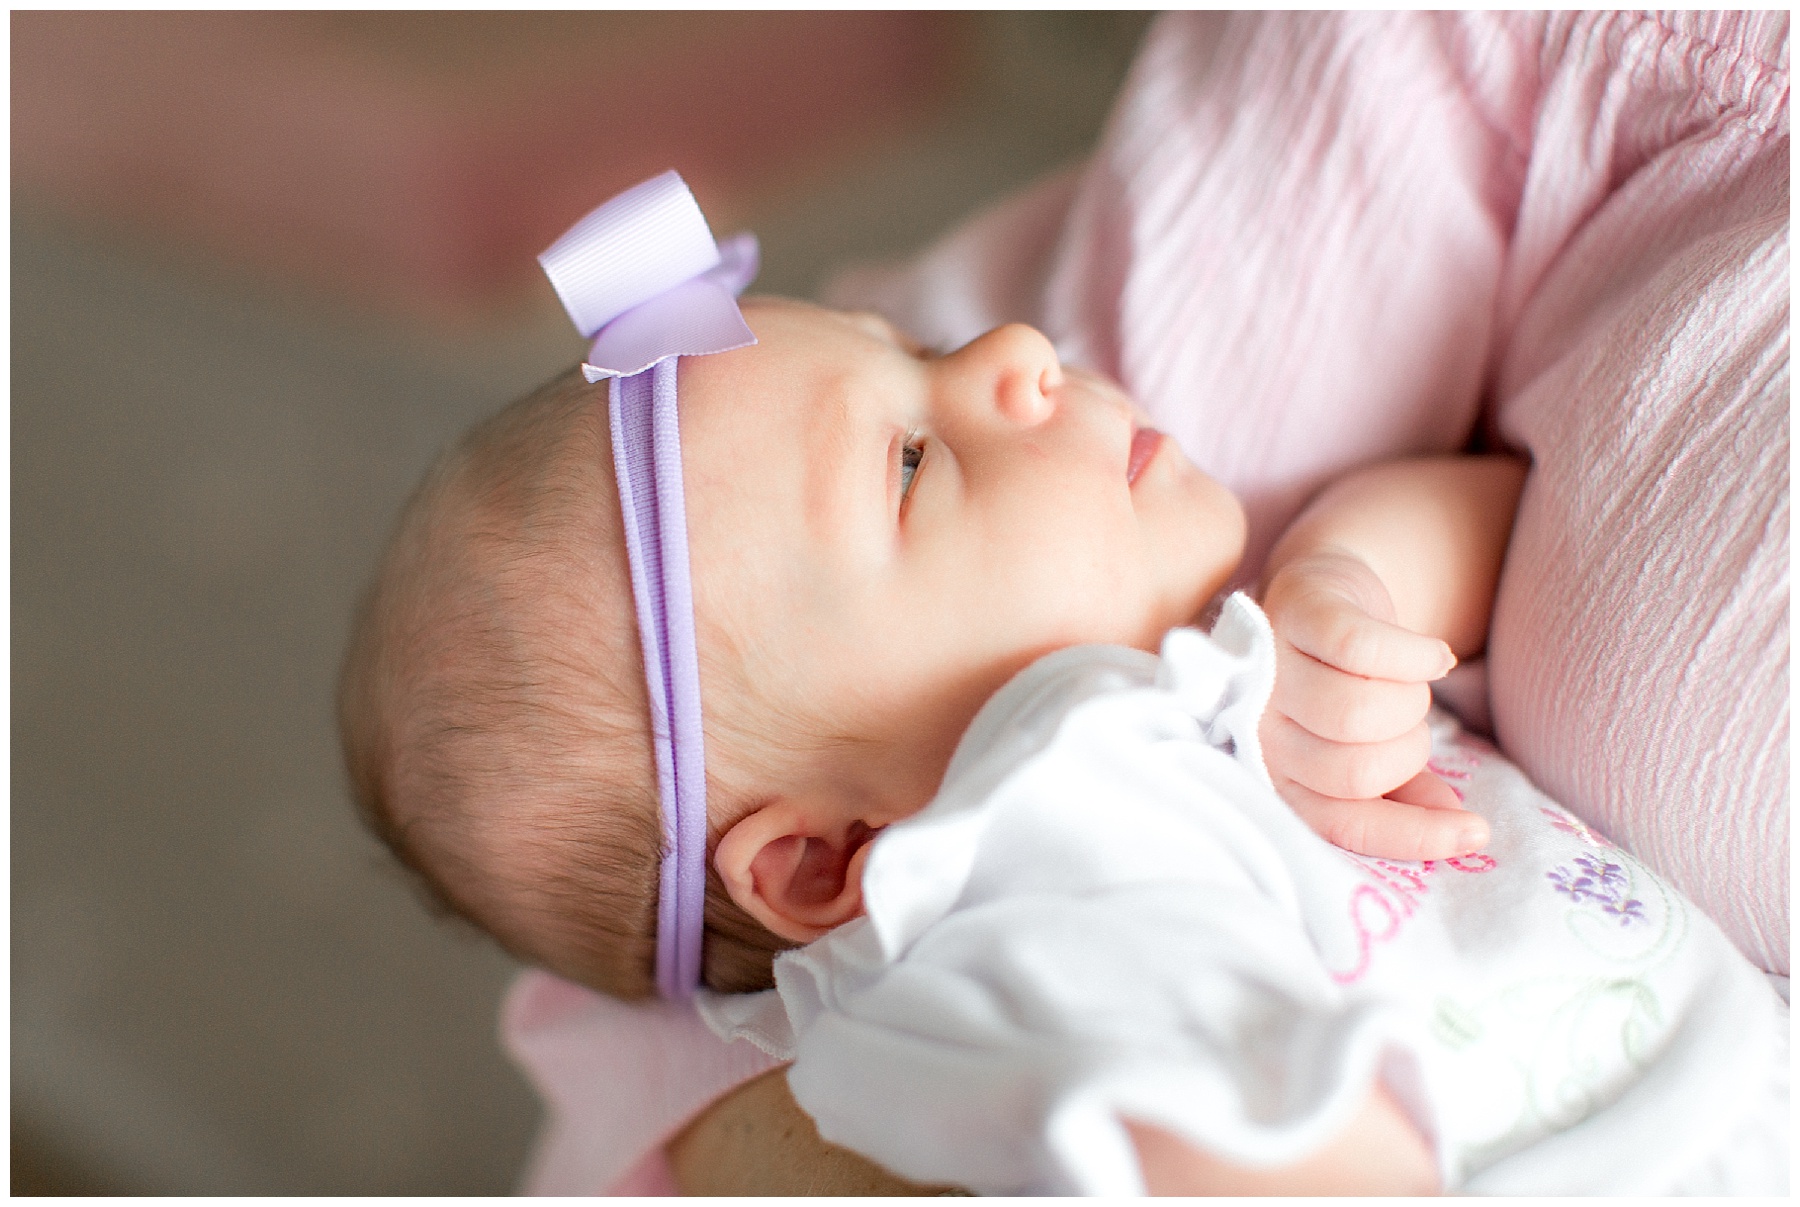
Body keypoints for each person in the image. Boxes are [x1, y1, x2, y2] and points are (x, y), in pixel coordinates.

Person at [340, 288, 1782, 1192]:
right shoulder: (1011, 860)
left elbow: (1495, 515)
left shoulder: (1178, 673)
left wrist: (1346, 580)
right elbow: (1218, 1136)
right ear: (834, 861)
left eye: (916, 344)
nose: (1015, 351)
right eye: (911, 458)